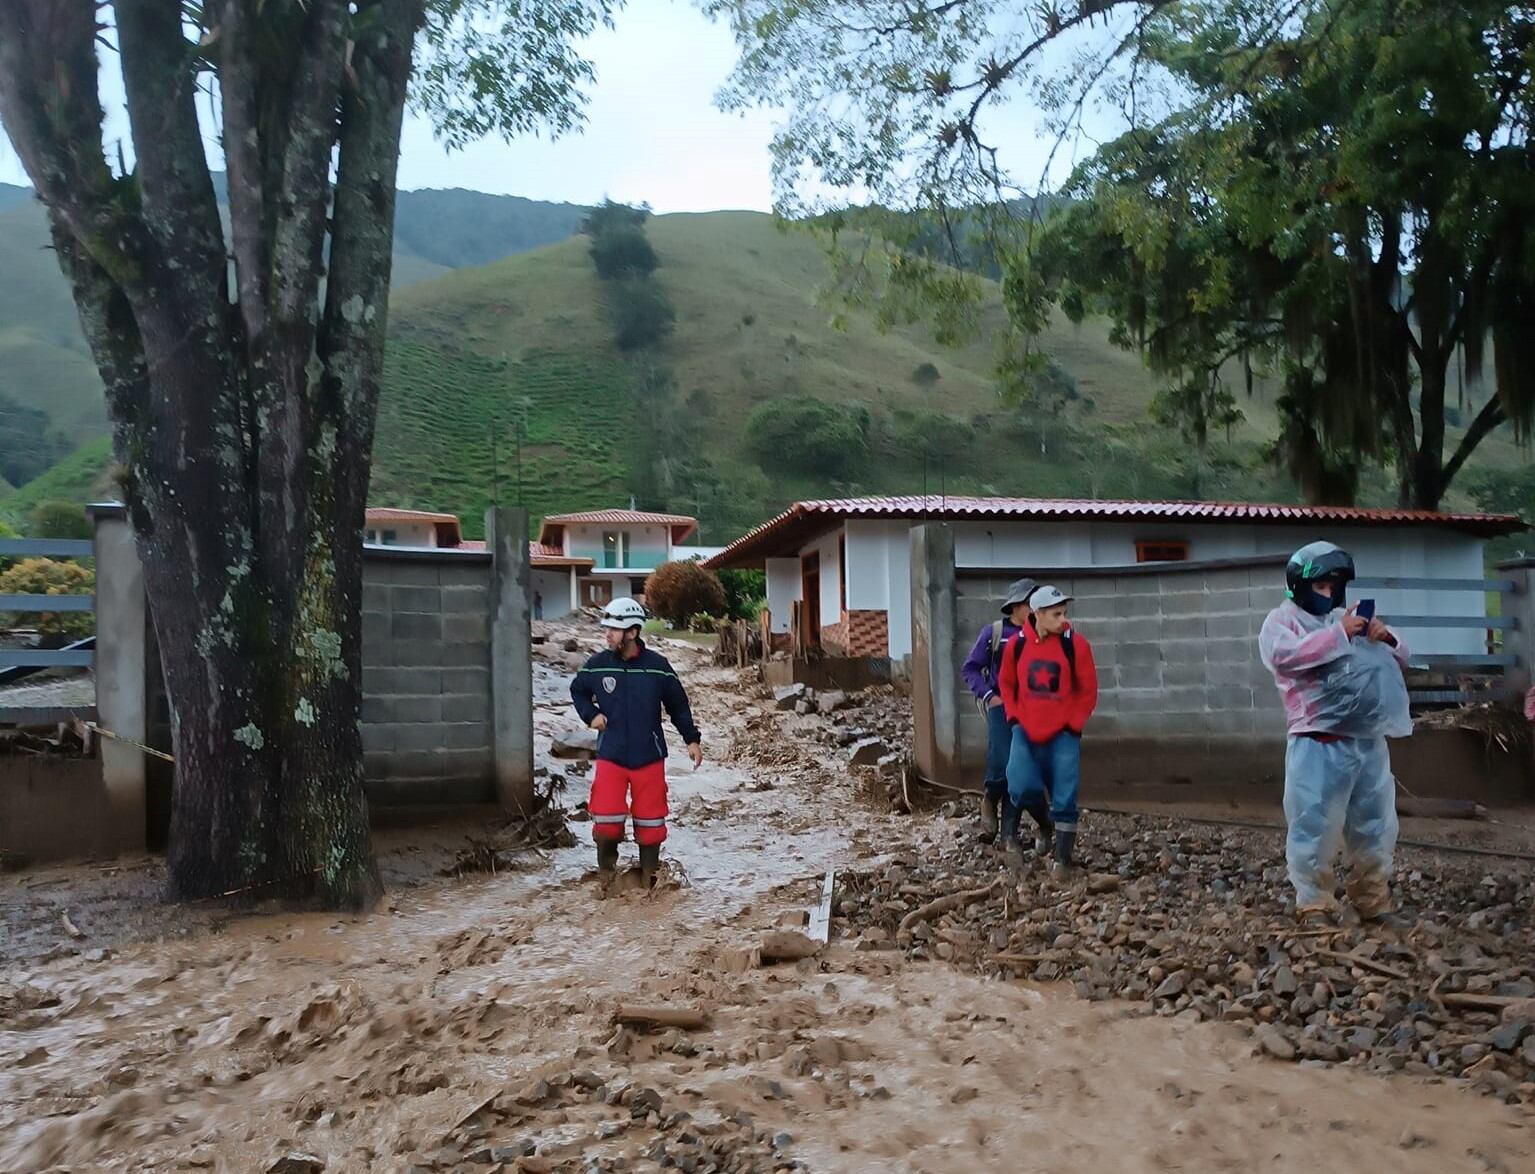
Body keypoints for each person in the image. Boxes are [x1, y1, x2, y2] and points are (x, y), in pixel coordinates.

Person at [1259, 541, 1412, 923]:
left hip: (1366, 742)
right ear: (1300, 585)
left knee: (1376, 825)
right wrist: (1340, 635)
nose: (1328, 594)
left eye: (1334, 587)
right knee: (1313, 825)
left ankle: (1372, 899)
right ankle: (1313, 902)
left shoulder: (1344, 618)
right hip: (1318, 743)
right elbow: (1285, 657)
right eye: (1321, 586)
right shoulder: (1282, 621)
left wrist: (1385, 637)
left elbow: (1403, 657)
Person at [570, 596, 702, 887]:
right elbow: (577, 690)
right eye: (607, 628)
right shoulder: (596, 665)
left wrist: (691, 740)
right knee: (605, 820)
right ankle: (606, 877)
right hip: (610, 755)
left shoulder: (658, 667)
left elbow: (678, 704)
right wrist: (590, 715)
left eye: (614, 629)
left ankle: (649, 881)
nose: (607, 634)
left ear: (632, 632)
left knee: (651, 822)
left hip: (649, 756)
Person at [997, 585, 1098, 875]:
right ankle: (1044, 823)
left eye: (1064, 613)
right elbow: (1006, 683)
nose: (1063, 620)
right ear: (1037, 614)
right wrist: (1014, 718)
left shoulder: (1075, 645)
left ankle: (1062, 860)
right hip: (1025, 732)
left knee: (1065, 794)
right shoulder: (1016, 646)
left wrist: (1073, 724)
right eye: (1056, 614)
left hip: (1063, 734)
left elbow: (1088, 690)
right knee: (1019, 785)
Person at [960, 577, 1037, 844]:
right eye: (1029, 604)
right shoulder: (994, 633)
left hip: (1031, 710)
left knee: (1020, 770)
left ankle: (1009, 833)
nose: (1034, 610)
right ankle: (990, 797)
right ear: (1015, 606)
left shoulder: (1041, 636)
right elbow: (969, 668)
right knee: (1001, 762)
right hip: (1000, 706)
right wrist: (989, 695)